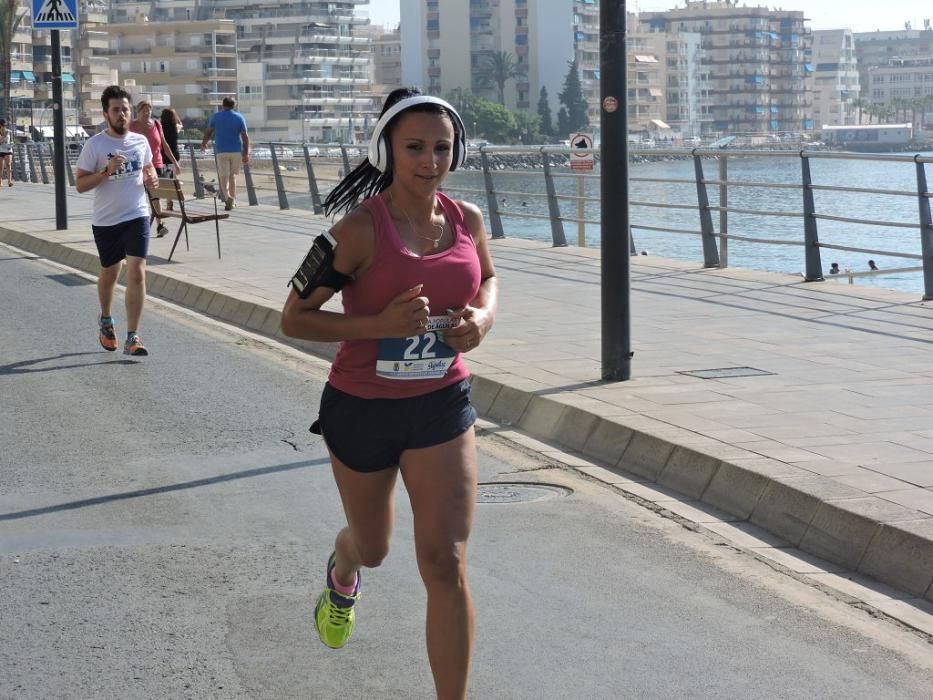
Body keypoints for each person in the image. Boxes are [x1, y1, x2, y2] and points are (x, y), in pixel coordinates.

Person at [280, 87, 497, 699]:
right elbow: (293, 319)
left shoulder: (467, 220)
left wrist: (481, 318)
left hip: (441, 405)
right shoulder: (355, 232)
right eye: (415, 148)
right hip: (362, 409)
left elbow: (491, 279)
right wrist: (381, 326)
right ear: (387, 151)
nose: (430, 161)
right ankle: (343, 567)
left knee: (445, 564)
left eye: (442, 148)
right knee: (374, 547)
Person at [75, 85, 159, 357]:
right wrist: (105, 171)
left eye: (125, 109)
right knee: (110, 272)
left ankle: (133, 336)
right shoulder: (95, 145)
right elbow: (80, 185)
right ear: (106, 114)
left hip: (136, 214)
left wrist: (151, 178)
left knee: (136, 270)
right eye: (116, 109)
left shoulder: (140, 142)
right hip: (106, 220)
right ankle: (106, 319)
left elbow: (148, 170)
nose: (122, 114)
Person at [129, 99, 181, 237]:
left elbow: (164, 144)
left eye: (149, 109)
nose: (147, 112)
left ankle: (160, 225)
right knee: (139, 197)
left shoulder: (156, 124)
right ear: (137, 112)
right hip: (138, 166)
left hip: (156, 165)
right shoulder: (131, 127)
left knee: (155, 196)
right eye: (143, 110)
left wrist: (174, 162)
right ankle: (138, 225)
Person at [200, 96, 250, 211]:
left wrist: (204, 144)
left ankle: (228, 198)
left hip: (221, 150)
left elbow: (208, 132)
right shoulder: (239, 117)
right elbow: (245, 136)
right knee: (232, 176)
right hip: (236, 151)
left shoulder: (216, 117)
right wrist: (246, 153)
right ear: (234, 105)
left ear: (222, 105)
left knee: (224, 177)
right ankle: (233, 200)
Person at [159, 107, 184, 210]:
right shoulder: (175, 127)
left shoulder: (160, 128)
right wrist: (177, 117)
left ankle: (167, 201)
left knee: (165, 180)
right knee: (172, 179)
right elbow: (181, 125)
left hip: (163, 157)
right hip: (174, 156)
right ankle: (170, 201)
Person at [0, 118, 13, 187]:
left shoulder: (9, 131)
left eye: (4, 125)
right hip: (0, 150)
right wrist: (4, 136)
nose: (4, 126)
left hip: (8, 150)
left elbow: (12, 140)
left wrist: (11, 143)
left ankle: (9, 181)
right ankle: (0, 181)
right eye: (2, 125)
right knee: (1, 167)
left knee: (8, 165)